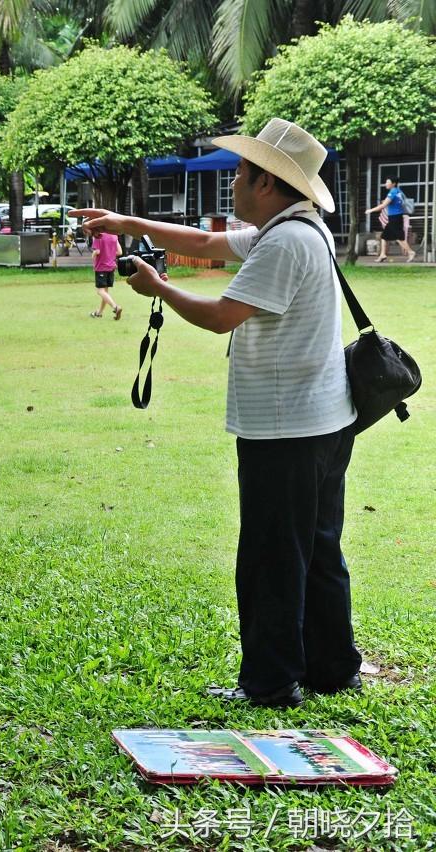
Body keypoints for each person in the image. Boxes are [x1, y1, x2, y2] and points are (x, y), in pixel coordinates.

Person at [71, 118, 361, 709]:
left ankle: (271, 681)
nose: (233, 182)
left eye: (241, 172)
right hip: (323, 420)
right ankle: (333, 667)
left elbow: (221, 315)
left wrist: (159, 290)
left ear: (268, 182)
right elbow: (201, 244)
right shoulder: (303, 228)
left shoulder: (284, 243)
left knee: (271, 555)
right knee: (318, 546)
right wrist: (125, 222)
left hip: (285, 427)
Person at [365, 178, 415, 263]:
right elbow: (396, 202)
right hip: (395, 217)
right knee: (384, 236)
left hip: (395, 218)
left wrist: (370, 210)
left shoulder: (393, 192)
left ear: (394, 183)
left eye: (388, 182)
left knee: (399, 237)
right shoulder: (399, 191)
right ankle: (383, 254)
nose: (386, 184)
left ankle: (411, 252)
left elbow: (383, 205)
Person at [89, 231, 122, 320]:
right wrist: (109, 254)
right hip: (111, 267)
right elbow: (119, 252)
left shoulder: (98, 236)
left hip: (101, 267)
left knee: (100, 291)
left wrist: (93, 256)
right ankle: (99, 313)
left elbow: (97, 251)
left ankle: (115, 307)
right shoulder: (114, 235)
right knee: (105, 292)